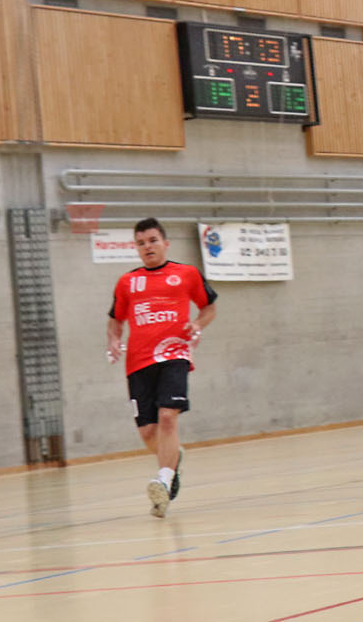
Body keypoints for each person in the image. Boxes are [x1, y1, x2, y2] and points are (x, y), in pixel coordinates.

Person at [106, 218, 217, 518]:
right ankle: (173, 458)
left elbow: (209, 307)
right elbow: (115, 319)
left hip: (174, 353)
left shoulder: (186, 274)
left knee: (168, 417)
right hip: (137, 362)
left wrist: (197, 324)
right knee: (148, 432)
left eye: (153, 240)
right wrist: (114, 340)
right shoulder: (127, 282)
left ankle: (164, 481)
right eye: (141, 243)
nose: (148, 247)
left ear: (165, 243)